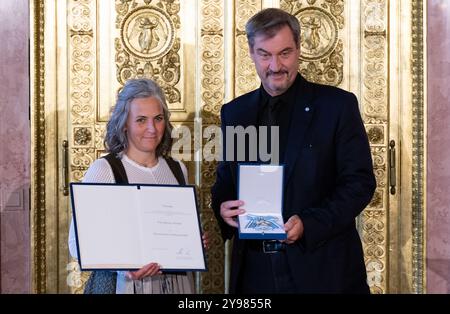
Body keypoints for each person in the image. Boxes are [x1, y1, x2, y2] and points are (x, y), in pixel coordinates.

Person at [211, 8, 376, 293]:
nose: (275, 66)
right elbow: (227, 179)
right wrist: (223, 206)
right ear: (251, 52)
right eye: (265, 54)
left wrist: (308, 224)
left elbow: (359, 184)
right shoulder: (236, 113)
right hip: (255, 274)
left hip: (322, 269)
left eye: (285, 53)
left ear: (299, 49)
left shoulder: (336, 107)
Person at [68, 78, 205, 294]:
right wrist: (124, 267)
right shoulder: (105, 170)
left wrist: (193, 242)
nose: (152, 129)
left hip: (177, 286)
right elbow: (77, 243)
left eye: (158, 119)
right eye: (141, 120)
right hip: (125, 285)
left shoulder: (178, 169)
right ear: (124, 123)